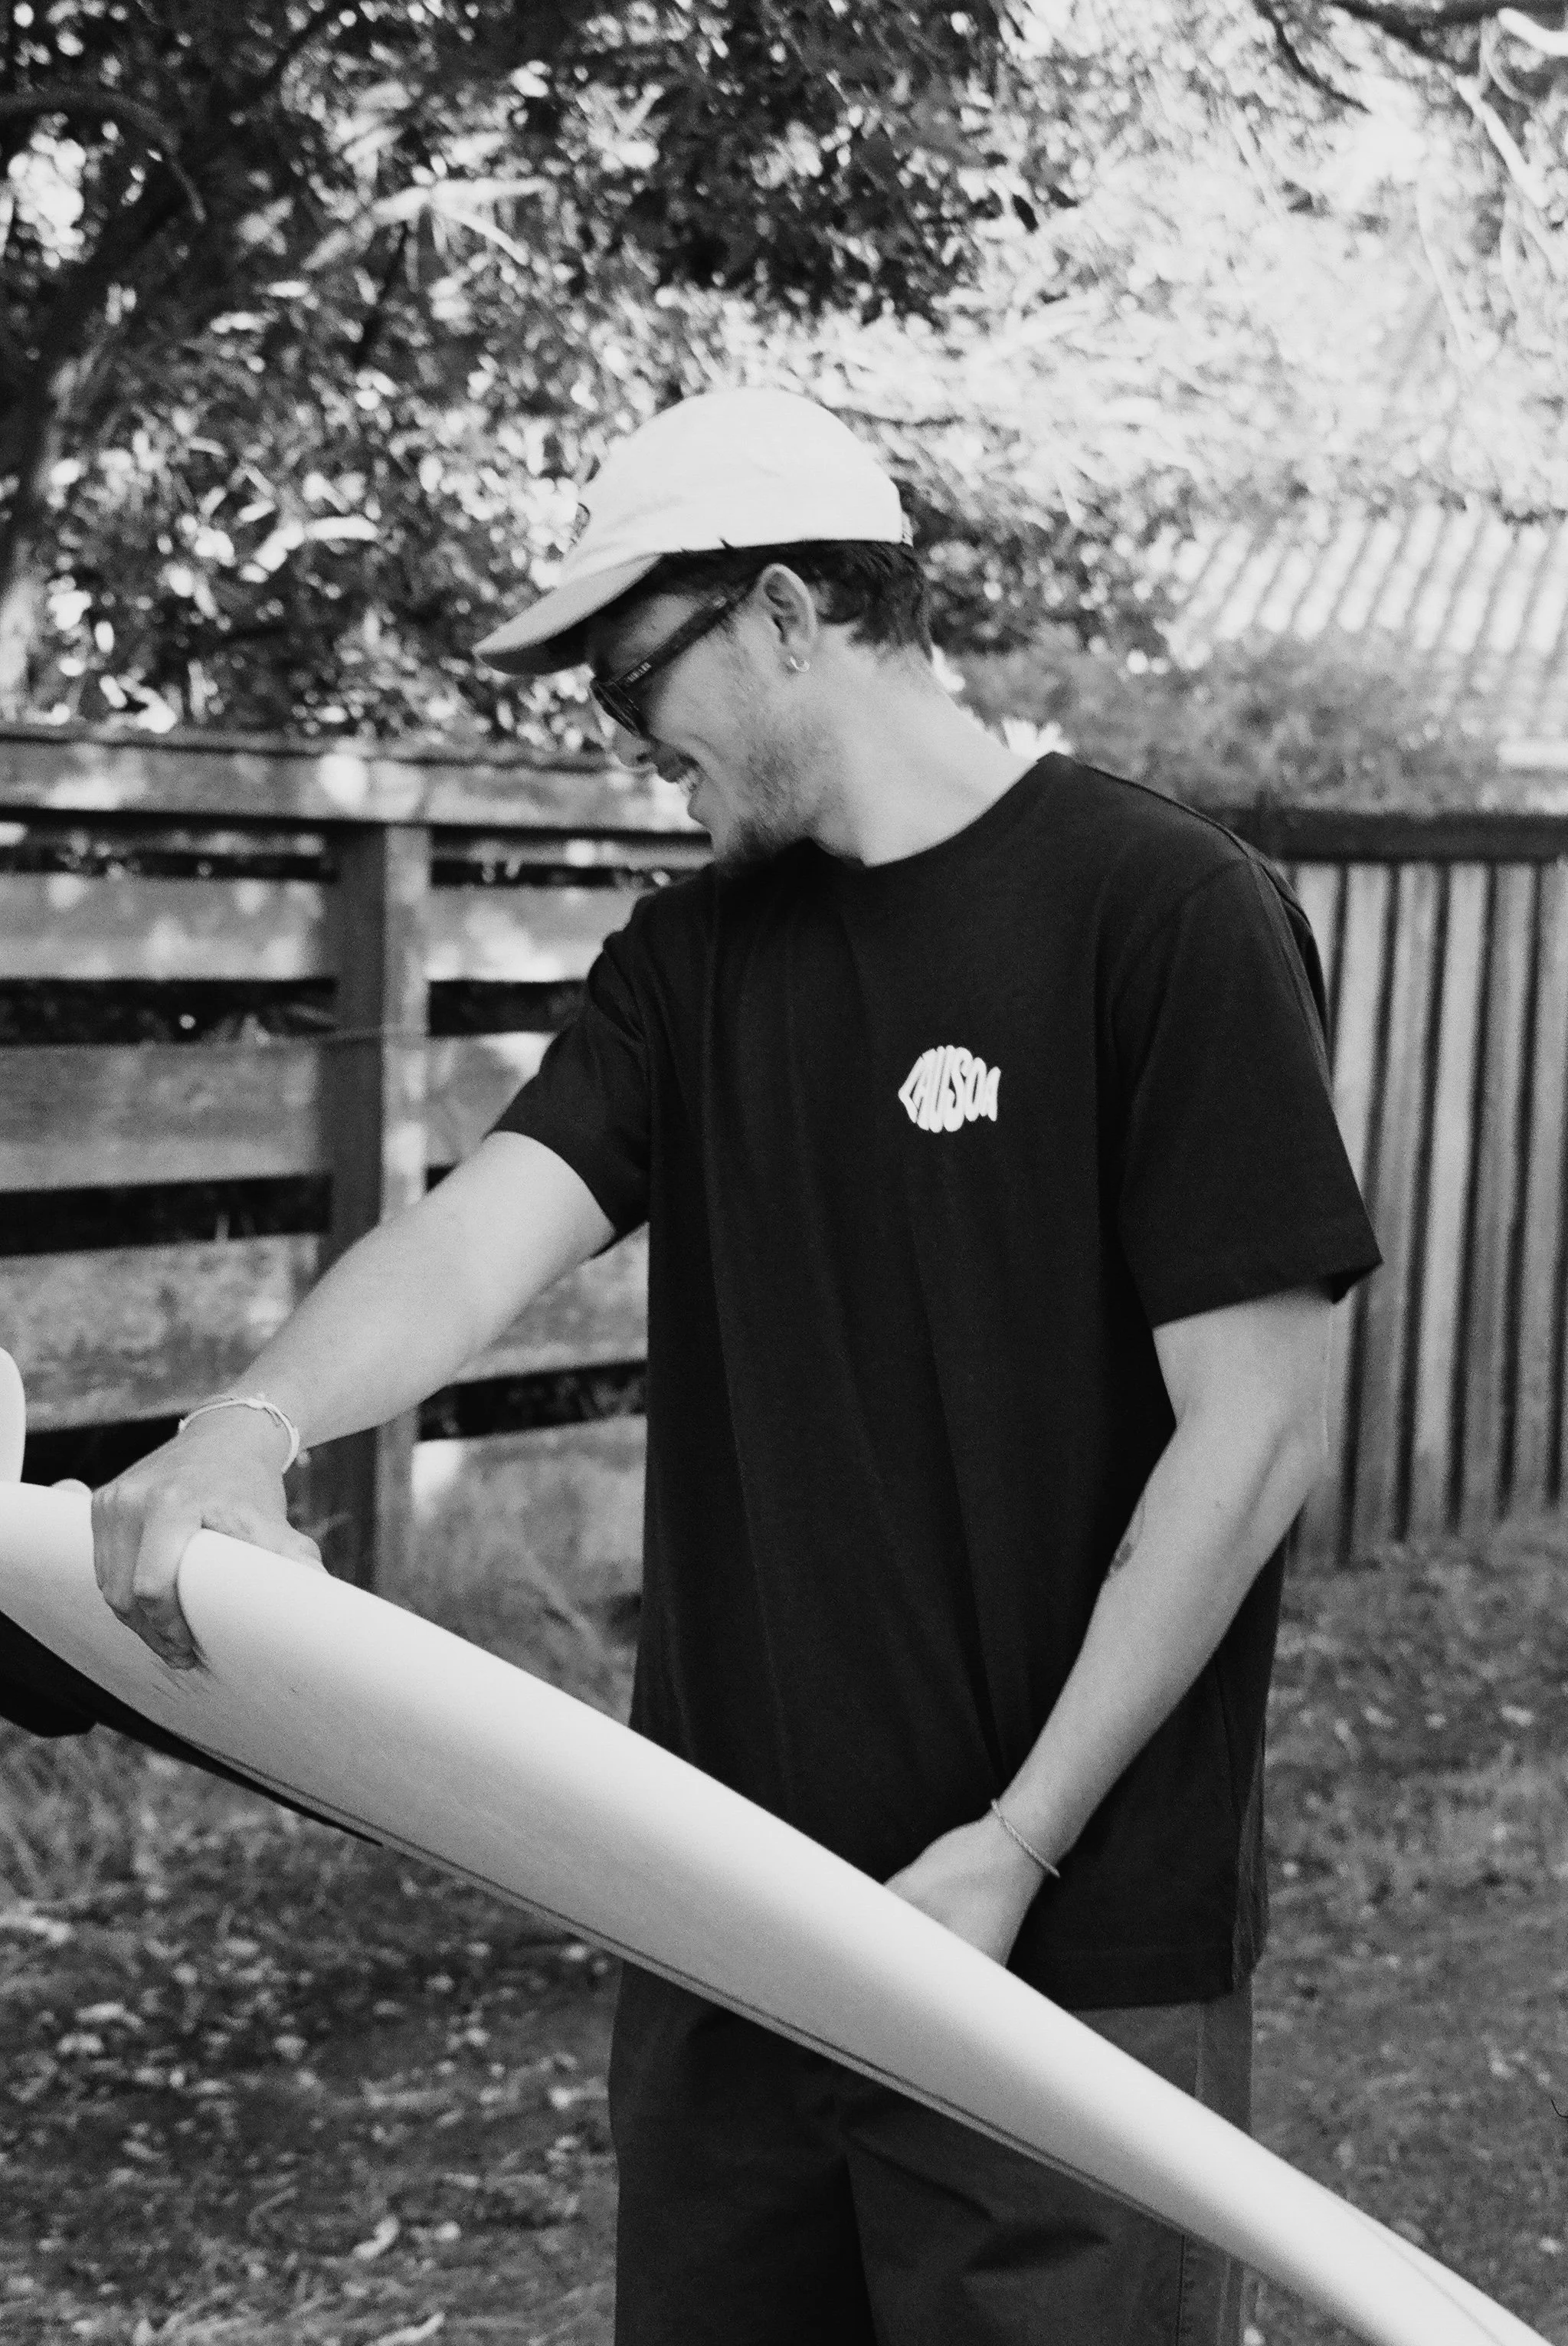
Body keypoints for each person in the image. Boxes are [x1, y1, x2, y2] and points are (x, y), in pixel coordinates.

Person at [91, 388, 1381, 2345]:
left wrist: (1015, 1843)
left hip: (1058, 1955)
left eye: (633, 680)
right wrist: (244, 1425)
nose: (628, 741)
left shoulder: (1166, 914)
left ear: (786, 611)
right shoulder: (689, 962)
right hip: (730, 1932)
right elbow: (473, 1236)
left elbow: (1255, 1431)